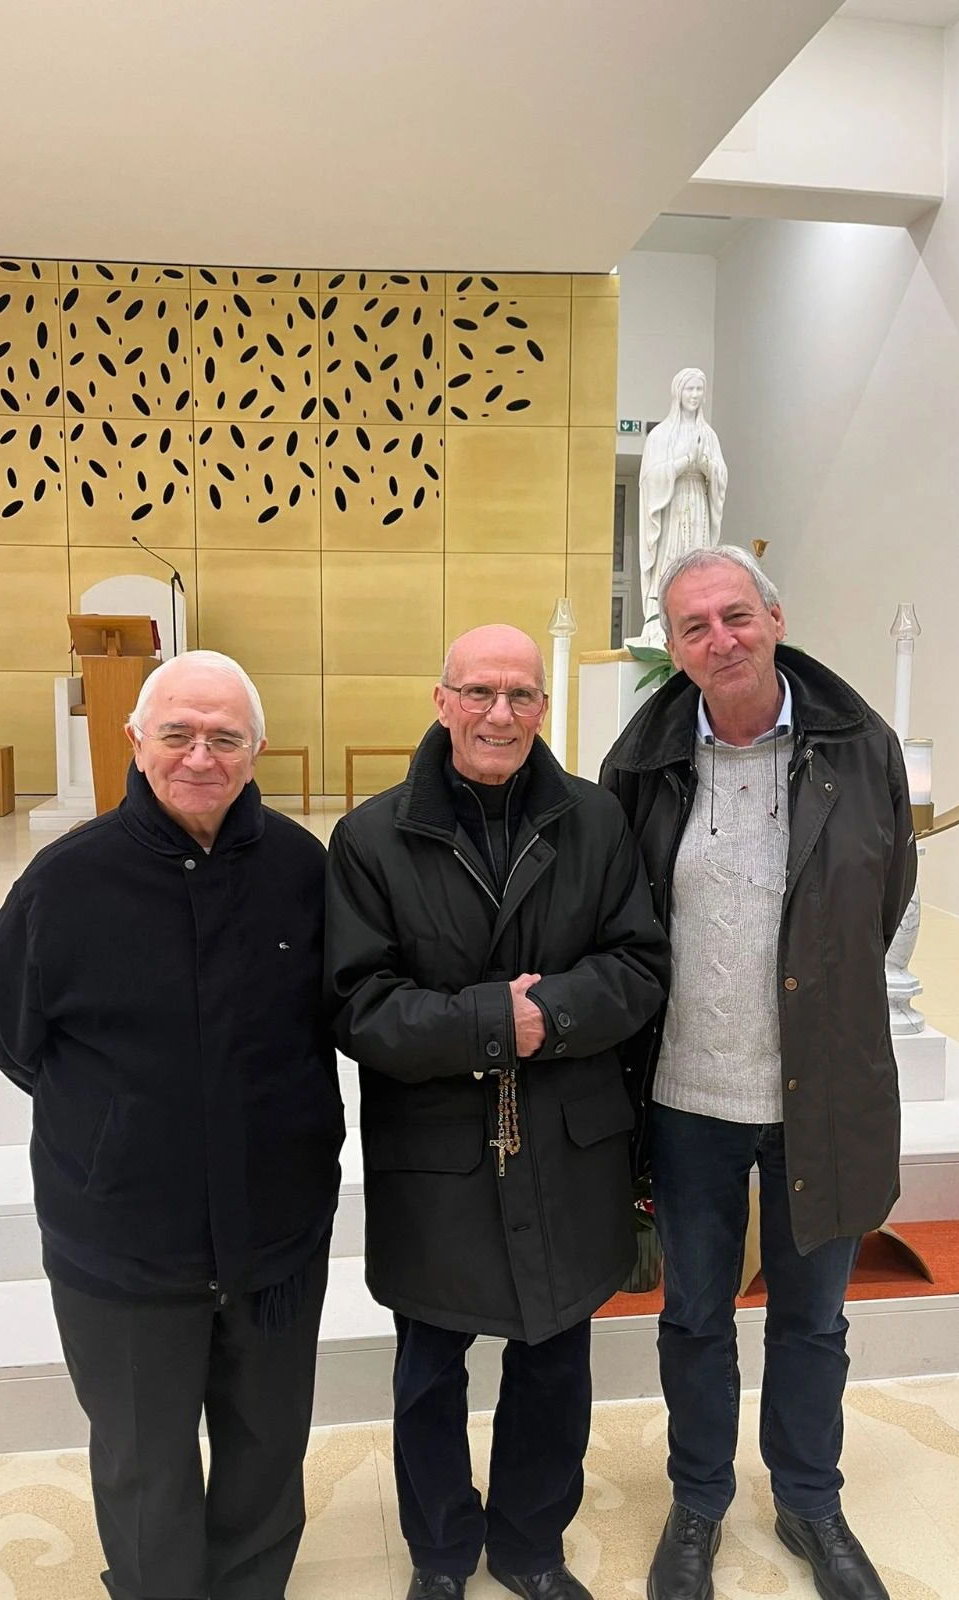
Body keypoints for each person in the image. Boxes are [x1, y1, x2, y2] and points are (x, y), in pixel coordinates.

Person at [0, 649, 344, 1600]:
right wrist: (118, 1131)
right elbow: (6, 1032)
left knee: (268, 1447)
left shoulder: (304, 870)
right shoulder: (65, 882)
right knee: (144, 1462)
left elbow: (337, 1016)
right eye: (177, 733)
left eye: (225, 737)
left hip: (276, 1231)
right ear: (136, 740)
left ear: (258, 751)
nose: (200, 756)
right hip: (123, 1243)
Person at [326, 624, 668, 1600]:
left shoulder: (596, 821)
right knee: (430, 1370)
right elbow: (357, 1003)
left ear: (543, 709)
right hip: (437, 1150)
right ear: (442, 701)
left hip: (566, 1137)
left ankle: (528, 1546)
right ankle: (439, 1555)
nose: (499, 714)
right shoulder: (371, 838)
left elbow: (640, 965)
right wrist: (490, 1022)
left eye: (520, 694)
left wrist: (544, 1016)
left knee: (554, 1361)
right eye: (478, 692)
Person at [602, 548, 914, 1600]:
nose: (720, 640)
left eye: (735, 615)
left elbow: (882, 893)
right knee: (695, 1314)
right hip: (687, 1094)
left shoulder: (860, 747)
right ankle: (698, 1500)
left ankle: (810, 1501)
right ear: (673, 648)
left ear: (775, 618)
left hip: (818, 1091)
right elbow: (620, 916)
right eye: (694, 626)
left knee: (813, 1317)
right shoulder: (640, 765)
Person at [636, 368, 728, 649]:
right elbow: (650, 478)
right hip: (672, 507)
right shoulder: (661, 435)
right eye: (690, 389)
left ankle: (699, 619)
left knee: (698, 560)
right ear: (678, 392)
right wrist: (683, 462)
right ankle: (661, 623)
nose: (695, 395)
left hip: (698, 503)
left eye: (699, 390)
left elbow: (721, 474)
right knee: (670, 561)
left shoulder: (708, 435)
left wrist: (706, 466)